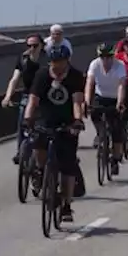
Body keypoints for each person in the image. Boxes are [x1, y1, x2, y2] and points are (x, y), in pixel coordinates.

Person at [24, 45, 86, 224]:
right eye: (53, 62)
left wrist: (77, 121)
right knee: (38, 147)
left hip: (66, 123)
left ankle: (66, 205)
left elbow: (77, 102)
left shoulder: (74, 76)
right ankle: (43, 173)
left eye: (60, 62)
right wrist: (28, 119)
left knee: (67, 165)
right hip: (46, 119)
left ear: (67, 61)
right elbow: (33, 100)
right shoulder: (42, 75)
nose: (56, 66)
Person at [85, 43, 127, 176]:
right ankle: (100, 133)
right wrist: (87, 101)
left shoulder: (120, 65)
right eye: (102, 57)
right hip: (100, 95)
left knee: (116, 130)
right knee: (94, 113)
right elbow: (89, 83)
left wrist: (120, 102)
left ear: (112, 56)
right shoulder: (94, 64)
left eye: (108, 57)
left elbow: (121, 85)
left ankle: (115, 159)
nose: (105, 60)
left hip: (115, 97)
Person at [2, 34, 45, 164]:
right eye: (29, 46)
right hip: (28, 95)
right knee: (22, 121)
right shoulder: (23, 59)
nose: (32, 48)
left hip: (44, 96)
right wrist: (8, 96)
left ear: (41, 45)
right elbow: (15, 79)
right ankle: (20, 151)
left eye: (35, 45)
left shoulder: (48, 58)